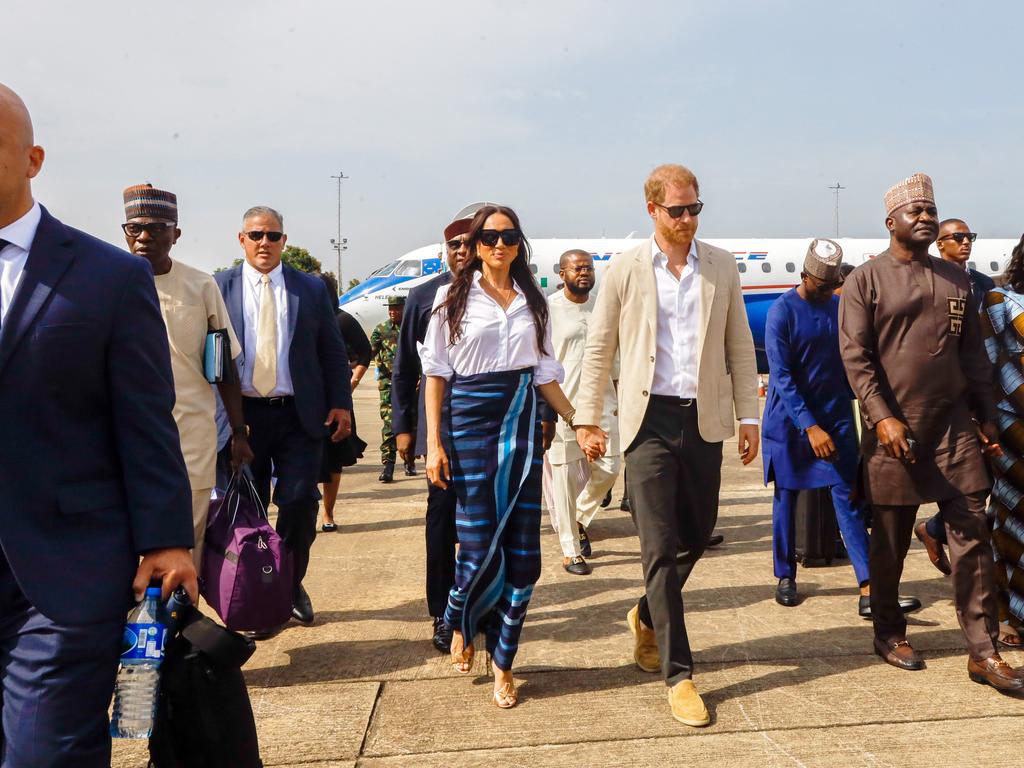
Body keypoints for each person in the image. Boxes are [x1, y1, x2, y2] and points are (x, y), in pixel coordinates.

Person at [0, 83, 197, 766]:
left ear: (33, 159)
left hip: (62, 573)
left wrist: (168, 538)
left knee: (42, 755)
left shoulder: (106, 277)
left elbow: (145, 417)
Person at [575, 164, 760, 727]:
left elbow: (740, 345)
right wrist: (586, 418)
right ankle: (679, 675)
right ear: (652, 209)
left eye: (694, 209)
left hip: (702, 420)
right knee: (656, 546)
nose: (687, 219)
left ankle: (645, 615)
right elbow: (599, 345)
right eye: (677, 210)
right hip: (647, 421)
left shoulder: (720, 266)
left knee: (697, 534)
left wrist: (749, 415)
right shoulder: (626, 269)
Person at [839, 173, 1020, 690]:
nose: (924, 217)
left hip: (955, 430)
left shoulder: (956, 279)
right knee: (891, 543)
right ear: (890, 221)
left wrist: (985, 413)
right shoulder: (865, 280)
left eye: (930, 210)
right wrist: (881, 415)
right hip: (895, 433)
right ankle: (888, 630)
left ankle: (983, 652)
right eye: (914, 210)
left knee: (973, 538)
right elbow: (856, 355)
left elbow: (973, 357)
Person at [422, 204, 578, 709]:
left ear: (518, 244)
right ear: (474, 243)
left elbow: (545, 372)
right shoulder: (451, 297)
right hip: (467, 426)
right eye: (488, 237)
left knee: (523, 554)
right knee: (475, 545)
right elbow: (436, 375)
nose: (498, 245)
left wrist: (579, 420)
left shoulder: (536, 302)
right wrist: (434, 443)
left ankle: (504, 663)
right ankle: (459, 618)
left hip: (521, 426)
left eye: (508, 236)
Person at [762, 239, 920, 617]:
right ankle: (785, 576)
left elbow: (859, 359)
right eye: (820, 284)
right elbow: (781, 377)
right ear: (804, 276)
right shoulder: (781, 312)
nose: (826, 291)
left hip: (835, 418)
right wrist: (810, 427)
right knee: (788, 498)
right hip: (790, 422)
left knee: (847, 498)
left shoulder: (839, 307)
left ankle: (869, 586)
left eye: (831, 285)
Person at [215, 206, 352, 630]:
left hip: (298, 415)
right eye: (256, 235)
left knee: (297, 503)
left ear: (284, 241)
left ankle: (290, 584)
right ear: (241, 239)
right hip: (244, 417)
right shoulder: (219, 287)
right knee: (247, 511)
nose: (264, 243)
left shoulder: (309, 288)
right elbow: (212, 355)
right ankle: (256, 592)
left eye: (273, 236)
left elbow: (331, 349)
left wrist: (342, 402)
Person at [121, 183, 253, 568]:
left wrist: (240, 434)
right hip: (127, 435)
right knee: (130, 544)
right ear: (125, 232)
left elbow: (224, 365)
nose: (145, 236)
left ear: (175, 234)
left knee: (187, 543)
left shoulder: (200, 285)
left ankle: (180, 624)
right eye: (135, 227)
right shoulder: (108, 283)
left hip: (192, 435)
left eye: (157, 227)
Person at [392, 216, 470, 654]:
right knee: (441, 520)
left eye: (469, 243)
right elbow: (405, 368)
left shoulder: (494, 293)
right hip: (438, 427)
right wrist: (403, 428)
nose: (462, 251)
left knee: (482, 522)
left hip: (487, 425)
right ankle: (442, 612)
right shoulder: (424, 297)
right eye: (454, 244)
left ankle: (477, 604)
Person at [915, 218, 995, 575]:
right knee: (963, 478)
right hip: (948, 395)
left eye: (969, 237)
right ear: (940, 245)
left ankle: (933, 529)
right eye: (957, 237)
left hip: (985, 389)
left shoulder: (984, 285)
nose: (965, 243)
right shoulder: (931, 283)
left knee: (988, 476)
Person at [542, 249, 622, 575]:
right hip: (565, 405)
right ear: (562, 274)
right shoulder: (548, 310)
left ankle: (578, 516)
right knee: (562, 477)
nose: (584, 273)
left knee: (612, 464)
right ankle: (570, 550)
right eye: (577, 268)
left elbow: (614, 355)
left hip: (603, 401)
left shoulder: (603, 306)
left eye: (588, 268)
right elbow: (543, 363)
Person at [978, 234, 1024, 649]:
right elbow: (987, 364)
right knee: (1010, 520)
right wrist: (985, 423)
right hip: (1014, 428)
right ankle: (1008, 615)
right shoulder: (999, 301)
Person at [317, 272, 369, 532]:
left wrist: (353, 382)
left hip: (336, 401)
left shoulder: (343, 320)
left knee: (334, 459)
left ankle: (328, 513)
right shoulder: (298, 318)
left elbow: (365, 353)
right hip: (306, 401)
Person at [371, 295, 413, 482]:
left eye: (396, 308)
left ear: (404, 309)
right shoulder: (381, 330)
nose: (393, 312)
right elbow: (368, 352)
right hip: (388, 384)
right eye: (390, 309)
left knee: (412, 422)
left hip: (412, 384)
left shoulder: (412, 327)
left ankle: (409, 460)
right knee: (389, 424)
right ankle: (388, 465)